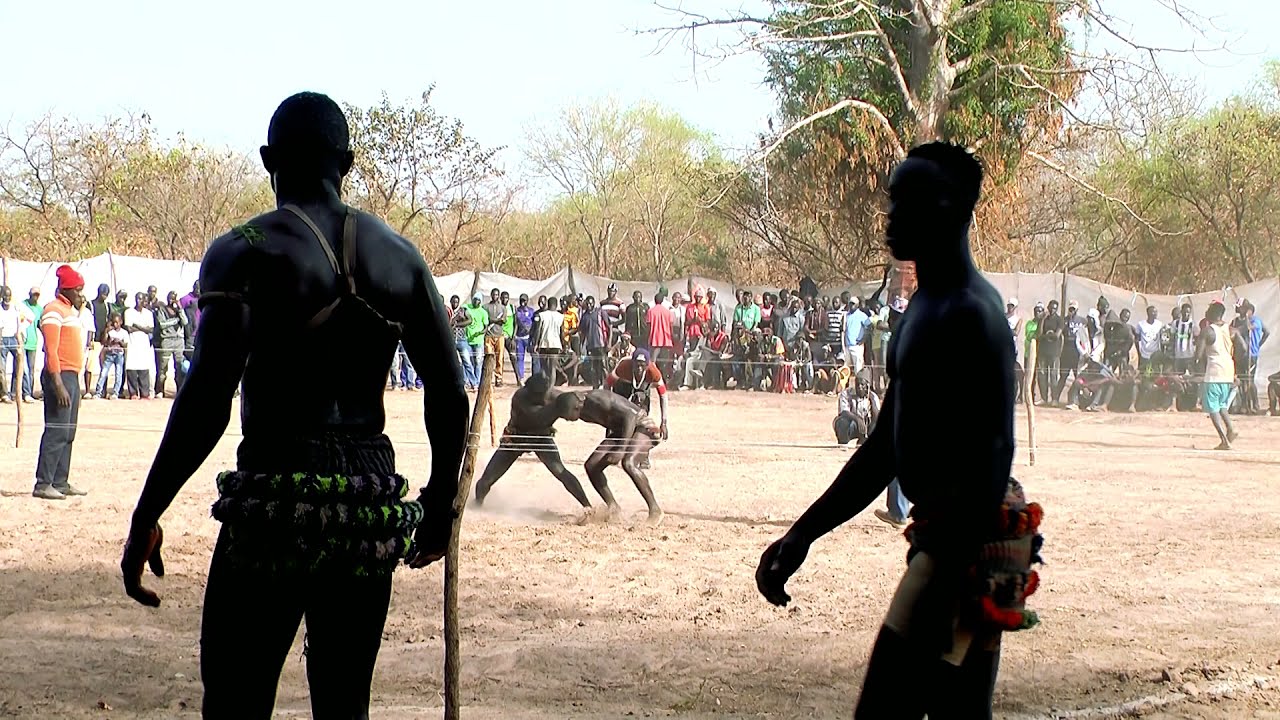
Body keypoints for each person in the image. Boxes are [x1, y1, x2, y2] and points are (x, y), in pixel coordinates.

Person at [119, 92, 468, 718]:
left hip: (275, 499)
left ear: (267, 160)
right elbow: (447, 390)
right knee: (343, 706)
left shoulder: (245, 248)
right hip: (367, 502)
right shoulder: (401, 256)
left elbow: (207, 399)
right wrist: (441, 505)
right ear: (349, 163)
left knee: (234, 701)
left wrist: (148, 511)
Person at [756, 143, 1035, 720]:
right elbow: (883, 450)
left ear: (956, 210)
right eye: (894, 197)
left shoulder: (970, 312)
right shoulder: (923, 310)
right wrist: (801, 535)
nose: (893, 213)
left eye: (911, 199)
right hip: (950, 542)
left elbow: (993, 458)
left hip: (963, 546)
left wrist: (947, 577)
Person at [473, 373, 593, 511]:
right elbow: (537, 417)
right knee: (487, 479)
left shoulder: (554, 396)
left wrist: (575, 403)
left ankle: (587, 506)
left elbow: (576, 407)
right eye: (536, 394)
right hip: (516, 437)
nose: (540, 397)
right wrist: (560, 407)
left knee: (560, 472)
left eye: (543, 393)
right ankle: (477, 505)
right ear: (529, 391)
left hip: (541, 437)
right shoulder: (520, 397)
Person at [554, 387, 666, 524]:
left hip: (643, 425)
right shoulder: (575, 403)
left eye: (567, 416)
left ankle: (655, 510)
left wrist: (621, 449)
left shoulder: (597, 399)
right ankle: (613, 508)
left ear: (576, 407)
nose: (567, 420)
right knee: (592, 466)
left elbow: (630, 416)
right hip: (622, 431)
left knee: (628, 463)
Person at [31, 266, 89, 500]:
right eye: (78, 290)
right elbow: (51, 351)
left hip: (72, 376)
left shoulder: (69, 312)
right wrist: (58, 383)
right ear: (67, 290)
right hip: (60, 375)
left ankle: (60, 480)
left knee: (69, 431)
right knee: (56, 430)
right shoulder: (53, 311)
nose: (81, 295)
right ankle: (43, 482)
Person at [1199, 302, 1240, 449]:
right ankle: (1231, 428)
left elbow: (1198, 355)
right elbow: (1244, 348)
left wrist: (1193, 366)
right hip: (1228, 370)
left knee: (1212, 408)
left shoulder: (1207, 331)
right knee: (1222, 404)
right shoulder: (1230, 329)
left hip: (1215, 371)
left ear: (1212, 313)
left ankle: (1224, 440)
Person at [154, 291, 187, 397]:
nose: (171, 301)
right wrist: (175, 320)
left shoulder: (179, 310)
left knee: (179, 366)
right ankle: (160, 390)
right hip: (167, 340)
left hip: (179, 340)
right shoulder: (162, 310)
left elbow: (185, 322)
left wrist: (180, 310)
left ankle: (180, 390)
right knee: (163, 366)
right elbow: (162, 324)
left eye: (173, 299)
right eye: (170, 298)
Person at [833, 375, 880, 446]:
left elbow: (877, 417)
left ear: (867, 386)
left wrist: (872, 401)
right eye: (857, 384)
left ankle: (863, 440)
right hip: (852, 424)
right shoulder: (846, 393)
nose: (859, 387)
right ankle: (843, 442)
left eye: (862, 385)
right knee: (841, 421)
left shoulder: (873, 396)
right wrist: (857, 419)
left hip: (866, 427)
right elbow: (844, 412)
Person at [124, 292, 154, 399]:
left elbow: (150, 329)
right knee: (132, 368)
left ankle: (144, 393)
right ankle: (133, 393)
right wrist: (143, 328)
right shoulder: (129, 312)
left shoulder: (148, 313)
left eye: (141, 299)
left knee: (144, 368)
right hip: (133, 343)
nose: (139, 301)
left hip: (144, 344)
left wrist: (136, 325)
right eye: (137, 299)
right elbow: (129, 328)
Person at [579, 295, 609, 389]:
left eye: (591, 303)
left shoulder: (600, 312)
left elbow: (610, 326)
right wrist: (581, 345)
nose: (589, 305)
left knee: (604, 366)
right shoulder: (584, 316)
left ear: (594, 303)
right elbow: (582, 332)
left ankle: (607, 386)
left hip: (601, 344)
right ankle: (596, 386)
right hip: (591, 345)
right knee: (594, 367)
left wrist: (609, 342)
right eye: (587, 303)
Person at [19, 287, 43, 403]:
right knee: (20, 368)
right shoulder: (22, 306)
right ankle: (17, 392)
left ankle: (29, 392)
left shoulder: (39, 309)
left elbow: (40, 325)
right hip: (22, 341)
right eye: (34, 295)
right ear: (29, 294)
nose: (35, 297)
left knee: (31, 369)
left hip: (33, 342)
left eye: (37, 295)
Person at [96, 314, 127, 399]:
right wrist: (109, 339)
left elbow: (125, 345)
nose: (115, 324)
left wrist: (119, 341)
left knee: (118, 374)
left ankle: (115, 393)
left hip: (119, 355)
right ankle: (98, 392)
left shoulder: (124, 332)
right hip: (110, 354)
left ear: (121, 322)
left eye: (117, 322)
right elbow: (104, 342)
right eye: (114, 323)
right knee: (103, 373)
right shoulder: (111, 332)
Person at [536, 297, 565, 383]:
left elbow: (539, 330)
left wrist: (536, 344)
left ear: (548, 304)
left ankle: (544, 386)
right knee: (552, 368)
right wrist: (563, 345)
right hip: (555, 344)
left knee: (544, 367)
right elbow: (562, 332)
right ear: (556, 305)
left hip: (544, 344)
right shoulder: (561, 316)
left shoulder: (542, 315)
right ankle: (551, 387)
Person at [483, 288, 507, 387]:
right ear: (491, 295)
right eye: (493, 294)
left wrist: (493, 320)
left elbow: (503, 320)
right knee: (488, 357)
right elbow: (486, 320)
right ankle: (487, 378)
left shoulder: (503, 308)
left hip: (499, 335)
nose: (495, 296)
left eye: (497, 295)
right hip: (489, 335)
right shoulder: (485, 307)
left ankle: (499, 378)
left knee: (499, 358)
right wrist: (495, 320)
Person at [0, 287, 20, 402]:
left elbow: (18, 324)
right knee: (1, 369)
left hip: (13, 339)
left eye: (9, 296)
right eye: (5, 296)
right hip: (2, 340)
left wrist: (19, 339)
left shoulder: (15, 308)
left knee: (19, 366)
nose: (7, 298)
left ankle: (14, 392)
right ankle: (4, 393)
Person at [465, 292, 488, 387]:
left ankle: (477, 381)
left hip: (478, 341)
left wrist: (481, 332)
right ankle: (468, 381)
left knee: (478, 362)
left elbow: (486, 326)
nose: (476, 302)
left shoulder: (483, 312)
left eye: (478, 300)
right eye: (475, 300)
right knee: (467, 361)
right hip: (467, 340)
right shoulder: (467, 307)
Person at [1135, 305, 1163, 375]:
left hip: (1155, 354)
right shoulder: (1141, 324)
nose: (1156, 313)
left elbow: (1162, 339)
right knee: (1143, 373)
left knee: (1155, 374)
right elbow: (1137, 339)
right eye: (1154, 312)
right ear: (1148, 313)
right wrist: (1139, 352)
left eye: (1156, 312)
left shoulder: (1159, 324)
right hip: (1144, 355)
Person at [514, 294, 534, 386]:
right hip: (519, 337)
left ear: (527, 301)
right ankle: (520, 378)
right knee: (520, 358)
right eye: (521, 300)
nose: (523, 302)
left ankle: (535, 377)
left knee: (534, 357)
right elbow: (516, 323)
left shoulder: (531, 311)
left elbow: (533, 323)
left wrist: (530, 330)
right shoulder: (517, 311)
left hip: (528, 337)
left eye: (524, 300)